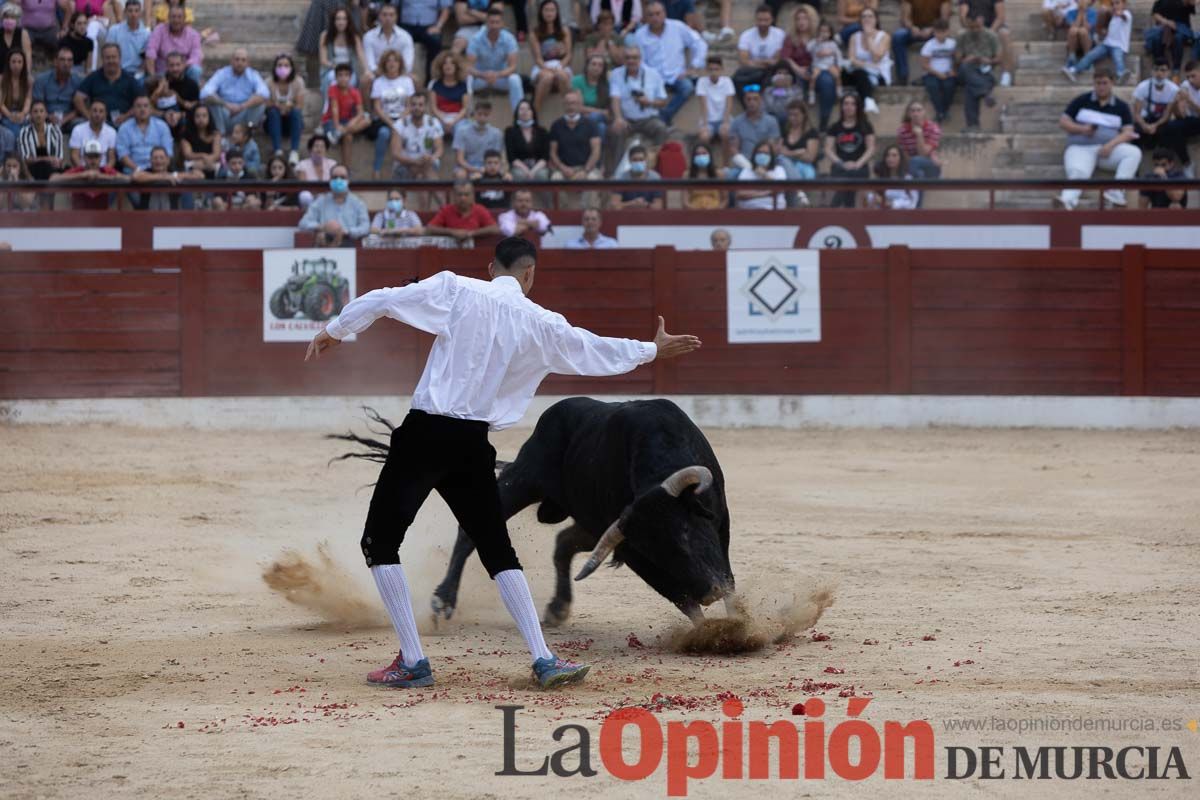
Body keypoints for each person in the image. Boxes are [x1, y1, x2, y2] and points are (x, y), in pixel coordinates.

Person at [304, 235, 701, 690]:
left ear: (491, 267)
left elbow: (383, 300)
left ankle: (413, 659)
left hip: (425, 435)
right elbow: (590, 348)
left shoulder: (457, 288)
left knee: (379, 542)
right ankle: (544, 657)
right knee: (497, 550)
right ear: (530, 273)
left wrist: (334, 331)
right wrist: (651, 350)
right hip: (472, 443)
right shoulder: (539, 319)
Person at [1055, 67, 1140, 210]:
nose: (1101, 87)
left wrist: (1110, 145)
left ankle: (1116, 192)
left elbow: (1128, 132)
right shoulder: (1082, 100)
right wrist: (1082, 129)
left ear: (1112, 83)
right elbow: (1063, 122)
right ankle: (1066, 201)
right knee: (1078, 172)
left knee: (1133, 153)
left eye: (1104, 83)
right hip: (1081, 148)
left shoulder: (1121, 106)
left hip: (1106, 151)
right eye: (1098, 83)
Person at [631, 0, 705, 125]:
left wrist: (693, 66)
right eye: (651, 15)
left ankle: (665, 115)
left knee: (687, 87)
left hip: (676, 75)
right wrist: (650, 77)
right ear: (646, 17)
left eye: (658, 13)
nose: (655, 18)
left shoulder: (678, 27)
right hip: (654, 77)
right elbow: (640, 61)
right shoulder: (640, 35)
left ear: (664, 13)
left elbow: (699, 43)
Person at [609, 44, 668, 158]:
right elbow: (615, 97)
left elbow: (663, 101)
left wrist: (649, 102)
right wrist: (618, 118)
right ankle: (617, 170)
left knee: (661, 128)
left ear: (640, 59)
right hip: (627, 120)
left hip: (649, 119)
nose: (631, 61)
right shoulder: (616, 74)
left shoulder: (653, 74)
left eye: (634, 57)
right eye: (628, 58)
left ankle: (659, 166)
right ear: (623, 59)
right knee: (616, 130)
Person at [200, 47, 269, 134]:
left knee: (260, 104)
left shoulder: (253, 75)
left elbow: (264, 94)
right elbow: (204, 93)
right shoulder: (221, 73)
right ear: (231, 61)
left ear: (248, 63)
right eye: (237, 59)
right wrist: (226, 105)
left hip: (244, 114)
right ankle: (220, 135)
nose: (240, 63)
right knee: (211, 101)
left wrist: (242, 106)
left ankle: (248, 133)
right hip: (225, 113)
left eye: (243, 60)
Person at [465, 6, 522, 111]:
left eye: (497, 22)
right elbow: (469, 67)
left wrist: (497, 74)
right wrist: (483, 75)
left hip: (500, 78)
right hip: (481, 78)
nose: (494, 26)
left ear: (502, 23)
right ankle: (468, 112)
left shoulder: (509, 39)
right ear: (486, 23)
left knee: (515, 79)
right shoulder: (475, 39)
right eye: (492, 22)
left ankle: (519, 114)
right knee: (467, 79)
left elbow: (513, 66)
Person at [370, 48, 416, 179]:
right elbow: (377, 107)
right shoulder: (378, 82)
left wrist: (400, 121)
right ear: (384, 64)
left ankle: (401, 169)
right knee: (384, 133)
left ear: (400, 63)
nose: (392, 63)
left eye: (395, 60)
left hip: (403, 117)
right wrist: (391, 123)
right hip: (384, 119)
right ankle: (376, 169)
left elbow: (409, 104)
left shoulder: (407, 81)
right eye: (389, 61)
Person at [298, 164, 369, 246]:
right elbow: (303, 224)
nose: (338, 180)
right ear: (330, 180)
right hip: (325, 244)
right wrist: (322, 227)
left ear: (348, 180)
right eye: (335, 177)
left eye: (342, 177)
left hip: (349, 243)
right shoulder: (321, 201)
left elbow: (365, 227)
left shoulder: (358, 203)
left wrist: (347, 232)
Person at [825, 91, 875, 208]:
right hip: (840, 167)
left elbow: (871, 148)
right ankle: (847, 210)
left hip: (860, 167)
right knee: (846, 176)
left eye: (853, 104)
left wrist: (858, 163)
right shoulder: (835, 127)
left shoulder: (865, 125)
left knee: (850, 176)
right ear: (842, 107)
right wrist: (841, 163)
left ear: (857, 107)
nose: (849, 107)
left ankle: (833, 208)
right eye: (846, 103)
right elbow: (828, 149)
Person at [1062, 0, 1131, 83]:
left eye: (1117, 3)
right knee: (1090, 56)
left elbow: (1124, 16)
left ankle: (1121, 75)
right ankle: (1073, 70)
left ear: (1124, 4)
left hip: (1119, 46)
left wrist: (1117, 13)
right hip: (1106, 43)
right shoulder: (1113, 17)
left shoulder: (1127, 14)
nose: (1115, 6)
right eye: (1112, 4)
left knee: (1118, 59)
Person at [48, 135, 125, 206]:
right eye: (90, 157)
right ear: (84, 157)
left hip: (102, 217)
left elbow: (125, 178)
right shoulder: (78, 171)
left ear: (101, 157)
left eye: (96, 156)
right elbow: (53, 179)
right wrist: (82, 175)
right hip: (79, 217)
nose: (93, 160)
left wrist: (100, 176)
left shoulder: (106, 170)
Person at [955, 12, 1000, 132]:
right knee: (966, 68)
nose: (975, 30)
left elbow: (999, 59)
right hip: (966, 70)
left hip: (984, 70)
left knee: (970, 87)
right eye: (972, 27)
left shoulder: (991, 36)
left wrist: (988, 60)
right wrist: (966, 59)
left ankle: (973, 125)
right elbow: (957, 59)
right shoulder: (962, 36)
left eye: (977, 27)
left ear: (982, 23)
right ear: (967, 24)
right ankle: (985, 93)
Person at [74, 42, 139, 126]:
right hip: (98, 122)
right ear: (102, 59)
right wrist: (89, 116)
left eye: (114, 57)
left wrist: (126, 116)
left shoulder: (129, 79)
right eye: (107, 58)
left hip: (123, 122)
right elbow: (78, 98)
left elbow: (141, 101)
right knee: (76, 124)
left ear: (119, 58)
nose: (111, 61)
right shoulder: (94, 77)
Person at [842, 7, 890, 115]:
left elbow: (877, 57)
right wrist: (867, 65)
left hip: (878, 74)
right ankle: (868, 100)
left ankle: (868, 100)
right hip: (859, 71)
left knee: (860, 73)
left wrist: (869, 37)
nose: (867, 19)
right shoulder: (854, 37)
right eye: (864, 16)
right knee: (846, 71)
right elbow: (852, 59)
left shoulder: (884, 36)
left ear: (876, 19)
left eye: (870, 16)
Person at [425, 179, 502, 244]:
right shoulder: (446, 210)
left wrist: (470, 234)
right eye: (459, 194)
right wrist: (452, 232)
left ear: (472, 196)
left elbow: (495, 229)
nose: (463, 198)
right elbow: (430, 228)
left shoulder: (480, 209)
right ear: (454, 196)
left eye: (466, 194)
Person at [529, 0, 573, 115]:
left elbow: (568, 54)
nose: (549, 13)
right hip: (542, 66)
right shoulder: (535, 32)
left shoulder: (564, 30)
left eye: (552, 10)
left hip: (561, 64)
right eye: (546, 10)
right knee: (547, 78)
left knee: (562, 75)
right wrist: (547, 69)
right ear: (541, 12)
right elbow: (538, 58)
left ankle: (568, 113)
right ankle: (534, 114)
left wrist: (560, 66)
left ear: (557, 12)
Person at [548, 89, 602, 182]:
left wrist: (585, 171)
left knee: (592, 179)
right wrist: (563, 168)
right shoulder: (556, 125)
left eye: (573, 103)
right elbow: (553, 152)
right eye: (567, 103)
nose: (570, 107)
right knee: (555, 179)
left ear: (579, 105)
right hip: (563, 169)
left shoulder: (591, 124)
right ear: (563, 105)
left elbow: (596, 151)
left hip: (587, 168)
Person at [893, 0, 951, 85]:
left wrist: (932, 29)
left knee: (944, 36)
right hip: (914, 30)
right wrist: (912, 28)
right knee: (898, 36)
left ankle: (935, 75)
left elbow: (944, 18)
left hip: (934, 30)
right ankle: (903, 75)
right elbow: (905, 18)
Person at [393, 90, 443, 187]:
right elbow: (395, 153)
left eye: (420, 105)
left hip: (427, 162)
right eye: (414, 104)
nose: (417, 108)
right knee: (422, 173)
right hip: (406, 164)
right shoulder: (400, 124)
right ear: (409, 106)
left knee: (424, 171)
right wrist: (415, 161)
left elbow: (439, 149)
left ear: (425, 107)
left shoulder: (433, 123)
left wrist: (431, 158)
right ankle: (441, 201)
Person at [322, 61, 369, 166]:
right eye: (340, 75)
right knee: (348, 136)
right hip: (331, 121)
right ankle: (345, 167)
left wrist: (353, 122)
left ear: (350, 77)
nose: (343, 78)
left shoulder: (355, 92)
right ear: (336, 77)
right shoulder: (333, 89)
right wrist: (337, 126)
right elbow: (334, 109)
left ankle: (339, 134)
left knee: (367, 120)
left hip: (347, 122)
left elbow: (360, 111)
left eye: (346, 75)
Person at [363, 4, 415, 97]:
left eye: (391, 15)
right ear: (379, 16)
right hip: (377, 73)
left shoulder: (405, 37)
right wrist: (384, 73)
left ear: (396, 17)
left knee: (415, 79)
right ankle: (369, 111)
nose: (388, 18)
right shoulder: (369, 36)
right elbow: (370, 63)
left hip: (399, 73)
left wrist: (394, 74)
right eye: (384, 15)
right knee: (366, 79)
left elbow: (408, 64)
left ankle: (410, 109)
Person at [958, 0, 1013, 87]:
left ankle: (1006, 73)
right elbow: (963, 16)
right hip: (973, 25)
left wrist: (989, 32)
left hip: (993, 26)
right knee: (960, 33)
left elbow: (1000, 17)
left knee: (1004, 34)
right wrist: (969, 24)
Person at [734, 4, 785, 97]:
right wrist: (765, 62)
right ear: (755, 20)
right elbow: (743, 60)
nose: (762, 23)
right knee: (737, 78)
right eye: (760, 20)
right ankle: (749, 104)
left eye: (766, 20)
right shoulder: (746, 35)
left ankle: (763, 100)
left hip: (771, 73)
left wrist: (755, 62)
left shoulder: (779, 34)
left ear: (772, 20)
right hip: (753, 72)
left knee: (774, 78)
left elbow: (777, 60)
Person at [130, 142, 202, 208]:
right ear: (150, 161)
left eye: (161, 158)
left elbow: (199, 175)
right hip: (147, 219)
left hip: (170, 219)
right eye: (155, 158)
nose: (158, 161)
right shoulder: (147, 172)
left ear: (168, 160)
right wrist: (163, 177)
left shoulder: (173, 172)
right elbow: (135, 176)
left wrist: (175, 175)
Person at [1131, 60, 1180, 154]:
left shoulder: (1173, 89)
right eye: (1156, 69)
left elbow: (1167, 115)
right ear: (1151, 71)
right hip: (1145, 119)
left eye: (1163, 70)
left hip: (1161, 121)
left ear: (1168, 72)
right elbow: (1136, 113)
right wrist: (1144, 125)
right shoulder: (1143, 86)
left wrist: (1155, 125)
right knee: (1135, 131)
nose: (1159, 73)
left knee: (1168, 131)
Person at [116, 92, 172, 173]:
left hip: (158, 170)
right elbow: (123, 155)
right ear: (133, 110)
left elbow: (168, 153)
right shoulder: (124, 128)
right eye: (138, 106)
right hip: (133, 171)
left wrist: (159, 170)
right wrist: (139, 170)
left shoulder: (162, 126)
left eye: (146, 106)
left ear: (151, 109)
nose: (142, 109)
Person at [265, 53, 306, 163]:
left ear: (291, 68)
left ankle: (294, 152)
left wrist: (288, 107)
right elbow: (266, 103)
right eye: (280, 65)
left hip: (291, 119)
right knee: (273, 112)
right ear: (275, 67)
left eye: (286, 65)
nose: (283, 68)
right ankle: (278, 150)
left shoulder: (298, 82)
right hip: (274, 120)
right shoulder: (269, 82)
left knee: (296, 112)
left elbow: (300, 104)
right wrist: (278, 106)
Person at [727, 83, 780, 167]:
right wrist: (747, 166)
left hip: (766, 163)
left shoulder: (771, 121)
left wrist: (764, 167)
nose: (752, 102)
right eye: (749, 99)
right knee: (730, 176)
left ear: (761, 100)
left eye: (755, 99)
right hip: (744, 164)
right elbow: (733, 149)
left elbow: (772, 147)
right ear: (744, 101)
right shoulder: (736, 122)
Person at [145, 4, 203, 80]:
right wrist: (152, 76)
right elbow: (151, 51)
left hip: (184, 70)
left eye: (179, 17)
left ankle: (192, 91)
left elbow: (196, 56)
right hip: (163, 71)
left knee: (196, 70)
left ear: (184, 19)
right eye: (173, 17)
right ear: (168, 18)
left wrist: (181, 66)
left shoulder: (193, 34)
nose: (176, 20)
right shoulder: (159, 30)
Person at [147, 50, 197, 137]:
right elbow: (148, 106)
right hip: (161, 115)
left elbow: (191, 107)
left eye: (178, 65)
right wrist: (159, 90)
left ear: (184, 65)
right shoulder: (157, 82)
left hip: (180, 116)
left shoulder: (191, 85)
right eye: (172, 65)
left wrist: (180, 115)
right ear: (166, 66)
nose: (175, 69)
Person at [318, 6, 365, 99]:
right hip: (331, 69)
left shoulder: (354, 37)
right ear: (333, 21)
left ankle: (347, 110)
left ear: (348, 21)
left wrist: (367, 70)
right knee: (332, 80)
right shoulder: (325, 35)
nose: (341, 22)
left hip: (349, 70)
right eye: (338, 19)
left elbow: (361, 55)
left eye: (344, 19)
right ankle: (328, 109)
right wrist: (336, 67)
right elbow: (323, 60)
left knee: (348, 80)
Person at [398, 0, 451, 81]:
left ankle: (431, 79)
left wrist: (438, 26)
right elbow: (393, 6)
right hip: (406, 26)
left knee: (435, 42)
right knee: (398, 40)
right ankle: (398, 77)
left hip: (429, 26)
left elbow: (446, 9)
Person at [33, 46, 80, 131]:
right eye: (62, 60)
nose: (66, 63)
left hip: (69, 120)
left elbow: (79, 108)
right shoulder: (42, 80)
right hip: (45, 118)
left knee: (80, 123)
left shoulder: (78, 81)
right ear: (55, 62)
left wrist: (65, 119)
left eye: (69, 60)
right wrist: (48, 116)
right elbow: (37, 104)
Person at [452, 98, 502, 178]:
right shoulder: (461, 131)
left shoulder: (496, 133)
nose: (482, 118)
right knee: (460, 174)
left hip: (488, 166)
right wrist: (475, 170)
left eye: (486, 115)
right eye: (479, 114)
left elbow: (496, 159)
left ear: (490, 115)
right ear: (474, 114)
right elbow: (459, 159)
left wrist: (486, 169)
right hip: (466, 166)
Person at [1145, 0, 1197, 75]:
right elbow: (1155, 14)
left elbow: (1191, 5)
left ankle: (1176, 70)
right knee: (1156, 39)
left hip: (1181, 28)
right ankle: (1159, 66)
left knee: (1178, 38)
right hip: (1163, 27)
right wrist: (1166, 22)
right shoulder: (1160, 1)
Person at [505, 98, 550, 184]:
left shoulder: (542, 131)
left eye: (528, 109)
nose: (524, 112)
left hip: (538, 166)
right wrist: (526, 171)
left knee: (541, 175)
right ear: (517, 113)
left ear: (532, 112)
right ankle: (521, 197)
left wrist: (533, 171)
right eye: (521, 109)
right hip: (519, 166)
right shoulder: (510, 132)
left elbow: (545, 157)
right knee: (519, 175)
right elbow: (511, 157)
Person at [920, 18, 956, 122]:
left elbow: (957, 60)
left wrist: (952, 70)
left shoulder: (952, 44)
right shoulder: (929, 45)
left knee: (949, 87)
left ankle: (945, 110)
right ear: (934, 32)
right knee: (933, 87)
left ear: (947, 31)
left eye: (943, 32)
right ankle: (940, 112)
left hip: (948, 73)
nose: (940, 35)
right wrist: (937, 73)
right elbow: (924, 64)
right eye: (937, 32)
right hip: (932, 73)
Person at [104, 0, 150, 80]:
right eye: (130, 11)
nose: (133, 14)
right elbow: (107, 53)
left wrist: (138, 74)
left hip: (137, 73)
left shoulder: (146, 34)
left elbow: (146, 59)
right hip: (118, 72)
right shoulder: (114, 30)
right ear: (125, 12)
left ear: (140, 13)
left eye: (136, 11)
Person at [808, 20, 841, 128]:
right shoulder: (816, 42)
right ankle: (811, 95)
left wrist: (838, 65)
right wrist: (816, 42)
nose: (824, 34)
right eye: (821, 31)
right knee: (813, 77)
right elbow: (808, 49)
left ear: (831, 33)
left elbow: (838, 55)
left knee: (837, 76)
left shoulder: (833, 44)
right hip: (818, 65)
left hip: (829, 65)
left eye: (826, 32)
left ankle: (839, 92)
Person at [897, 99, 941, 179]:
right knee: (918, 171)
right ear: (908, 114)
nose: (916, 114)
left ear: (924, 112)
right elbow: (905, 155)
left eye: (919, 110)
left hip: (930, 165)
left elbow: (923, 154)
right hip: (911, 166)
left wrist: (919, 135)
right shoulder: (902, 131)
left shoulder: (933, 128)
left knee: (916, 160)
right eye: (912, 111)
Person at [18, 98, 61, 182]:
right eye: (35, 111)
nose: (39, 115)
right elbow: (25, 159)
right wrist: (46, 159)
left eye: (41, 111)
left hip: (51, 170)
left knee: (50, 168)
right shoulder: (24, 132)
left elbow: (58, 158)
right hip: (32, 170)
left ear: (46, 114)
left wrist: (39, 159)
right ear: (30, 114)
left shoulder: (55, 130)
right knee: (39, 167)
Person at [736, 140, 787, 209]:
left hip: (773, 210)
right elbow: (740, 194)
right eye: (759, 152)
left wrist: (764, 175)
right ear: (754, 154)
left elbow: (780, 188)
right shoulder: (747, 171)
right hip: (751, 211)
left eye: (766, 153)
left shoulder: (779, 170)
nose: (762, 155)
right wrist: (766, 193)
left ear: (771, 156)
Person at [571, 53, 610, 142]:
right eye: (593, 64)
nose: (596, 67)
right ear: (587, 66)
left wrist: (600, 113)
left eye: (600, 65)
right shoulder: (577, 81)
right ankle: (599, 154)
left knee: (593, 117)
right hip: (582, 116)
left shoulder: (607, 83)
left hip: (601, 117)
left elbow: (608, 111)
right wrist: (600, 111)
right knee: (601, 127)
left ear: (603, 69)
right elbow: (578, 108)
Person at [866, 144, 920, 209]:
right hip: (881, 214)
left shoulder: (907, 178)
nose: (890, 158)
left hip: (902, 215)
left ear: (900, 158)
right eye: (888, 155)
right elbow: (871, 198)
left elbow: (912, 202)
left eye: (894, 155)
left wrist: (891, 204)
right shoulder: (881, 178)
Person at [695, 54, 732, 145]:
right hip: (709, 119)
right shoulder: (702, 82)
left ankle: (725, 159)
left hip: (723, 118)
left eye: (716, 69)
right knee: (704, 137)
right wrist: (705, 124)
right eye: (711, 69)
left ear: (721, 69)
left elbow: (729, 103)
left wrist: (726, 122)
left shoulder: (727, 81)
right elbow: (703, 105)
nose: (713, 72)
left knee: (726, 134)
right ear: (706, 70)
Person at [611, 143, 662, 209]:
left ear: (646, 160)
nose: (638, 162)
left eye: (641, 160)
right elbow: (614, 206)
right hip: (627, 216)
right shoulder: (622, 178)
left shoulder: (655, 178)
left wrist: (646, 205)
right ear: (629, 160)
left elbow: (658, 206)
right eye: (635, 160)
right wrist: (632, 203)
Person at [428, 50, 469, 134]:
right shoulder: (435, 84)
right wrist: (443, 120)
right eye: (445, 63)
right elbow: (433, 108)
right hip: (440, 117)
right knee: (431, 127)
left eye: (451, 63)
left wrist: (454, 121)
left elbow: (465, 109)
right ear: (441, 67)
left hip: (457, 117)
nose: (448, 66)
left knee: (463, 129)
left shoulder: (463, 85)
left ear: (456, 67)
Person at [777, 99, 818, 180]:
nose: (792, 118)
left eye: (796, 115)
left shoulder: (811, 132)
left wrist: (788, 153)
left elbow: (810, 158)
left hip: (804, 166)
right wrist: (797, 153)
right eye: (790, 115)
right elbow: (778, 151)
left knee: (807, 173)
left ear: (804, 115)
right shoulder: (785, 130)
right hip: (786, 164)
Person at [66, 96, 114, 165]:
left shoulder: (112, 132)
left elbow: (112, 159)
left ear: (105, 114)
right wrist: (85, 172)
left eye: (101, 111)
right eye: (94, 111)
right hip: (82, 171)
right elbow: (74, 156)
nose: (97, 114)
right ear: (89, 112)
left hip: (103, 172)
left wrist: (103, 173)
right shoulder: (78, 130)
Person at [179, 102, 219, 178]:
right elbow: (188, 154)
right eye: (198, 116)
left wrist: (209, 160)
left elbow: (216, 154)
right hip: (192, 164)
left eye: (204, 116)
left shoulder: (215, 134)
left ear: (209, 117)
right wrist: (203, 156)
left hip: (211, 163)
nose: (201, 119)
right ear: (192, 118)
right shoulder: (185, 135)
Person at [684, 141, 724, 209]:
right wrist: (695, 210)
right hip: (694, 213)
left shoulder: (719, 174)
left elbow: (725, 200)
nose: (701, 156)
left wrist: (717, 209)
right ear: (694, 157)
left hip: (715, 212)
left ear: (709, 155)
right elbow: (685, 202)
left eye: (704, 153)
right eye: (698, 154)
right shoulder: (687, 175)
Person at [0, 49, 30, 137]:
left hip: (21, 114)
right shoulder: (1, 79)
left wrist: (22, 113)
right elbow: (0, 102)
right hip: (5, 114)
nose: (16, 65)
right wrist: (10, 115)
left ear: (24, 64)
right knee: (13, 128)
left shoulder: (28, 81)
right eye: (13, 62)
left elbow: (28, 99)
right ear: (8, 63)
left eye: (19, 62)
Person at [764, 60, 804, 125]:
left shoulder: (797, 90)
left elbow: (793, 106)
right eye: (779, 73)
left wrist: (788, 89)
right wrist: (777, 89)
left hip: (791, 121)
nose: (782, 76)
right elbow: (771, 108)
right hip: (772, 121)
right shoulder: (768, 90)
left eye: (786, 74)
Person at [0, 5, 33, 75]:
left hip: (18, 74)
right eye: (6, 17)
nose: (9, 19)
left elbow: (27, 55)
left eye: (12, 17)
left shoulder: (23, 33)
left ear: (17, 20)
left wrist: (28, 73)